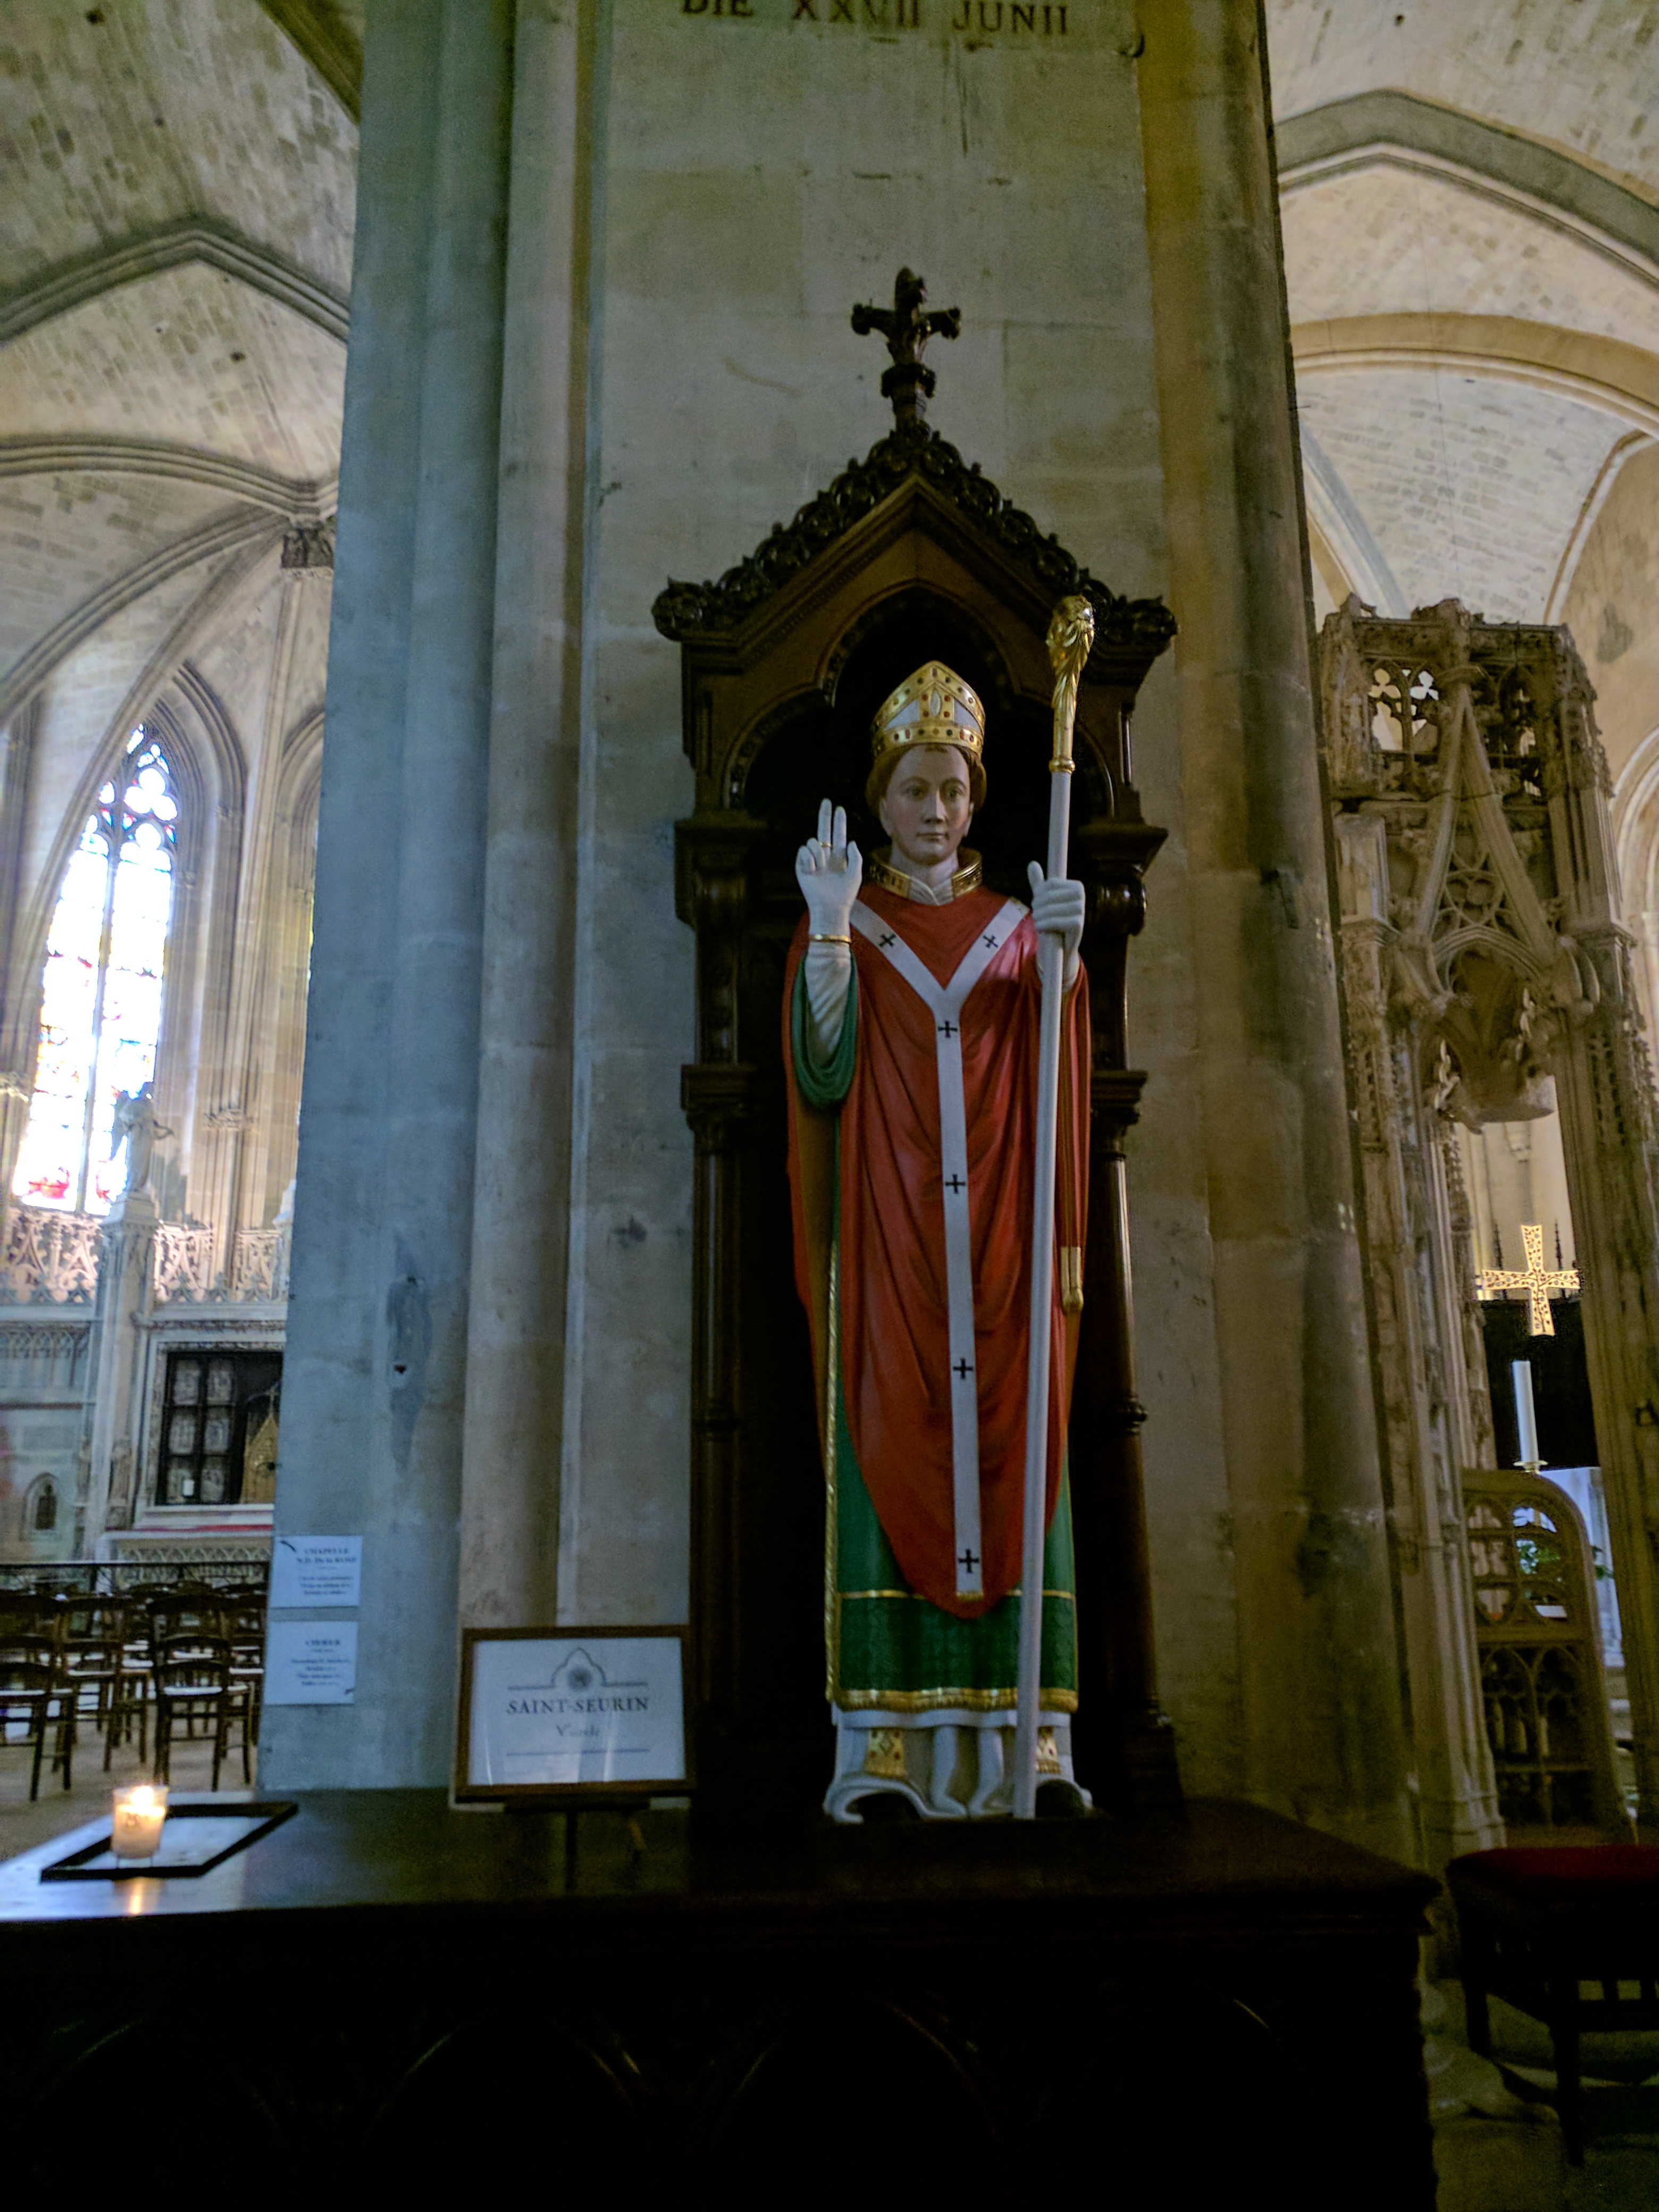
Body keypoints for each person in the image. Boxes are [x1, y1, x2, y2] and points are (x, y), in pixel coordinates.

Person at [784, 660, 1092, 1819]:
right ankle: (884, 1754)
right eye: (915, 788)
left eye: (955, 790)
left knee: (1018, 1447)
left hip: (1001, 1257)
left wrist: (1064, 967)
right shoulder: (852, 924)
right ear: (880, 796)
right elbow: (822, 1076)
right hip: (895, 1252)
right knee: (893, 1443)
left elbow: (1059, 1083)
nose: (937, 810)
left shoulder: (1017, 928)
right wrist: (826, 936)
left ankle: (1031, 1751)